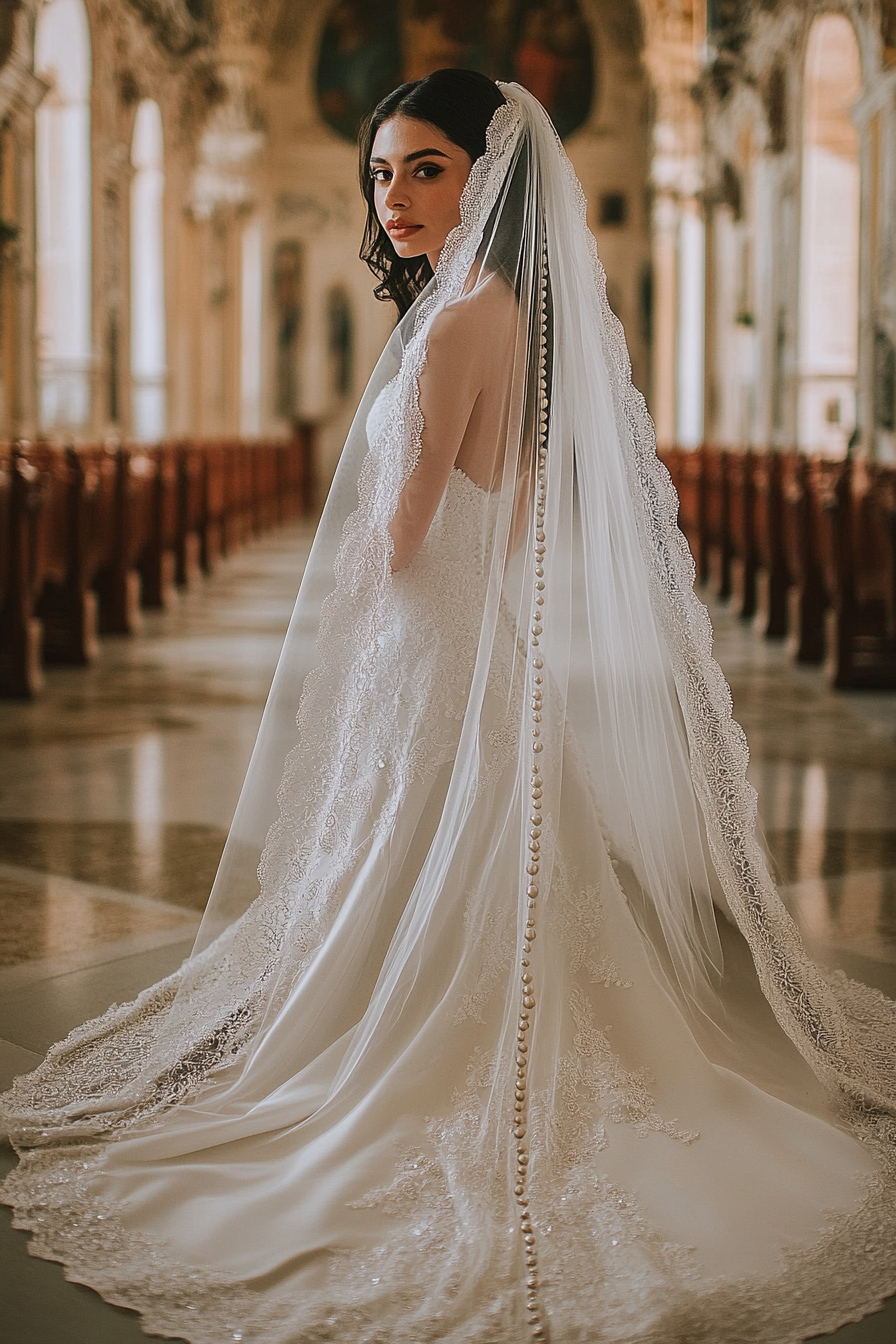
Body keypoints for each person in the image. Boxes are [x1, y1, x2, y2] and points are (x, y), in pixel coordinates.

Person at [3, 68, 896, 1344]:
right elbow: (512, 505)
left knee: (406, 840)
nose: (396, 195)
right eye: (380, 172)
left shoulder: (459, 315)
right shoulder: (504, 310)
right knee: (454, 838)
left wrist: (359, 626)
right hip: (469, 632)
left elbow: (404, 521)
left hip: (427, 631)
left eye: (425, 167)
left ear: (488, 172)